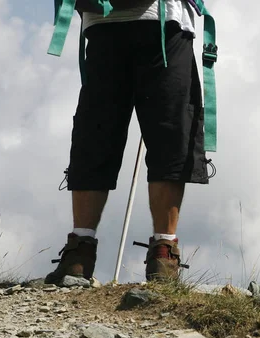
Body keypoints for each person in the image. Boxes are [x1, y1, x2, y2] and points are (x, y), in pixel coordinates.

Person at [44, 0, 210, 286]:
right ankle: (163, 252)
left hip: (103, 23)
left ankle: (79, 252)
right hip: (163, 21)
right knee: (170, 132)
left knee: (95, 132)